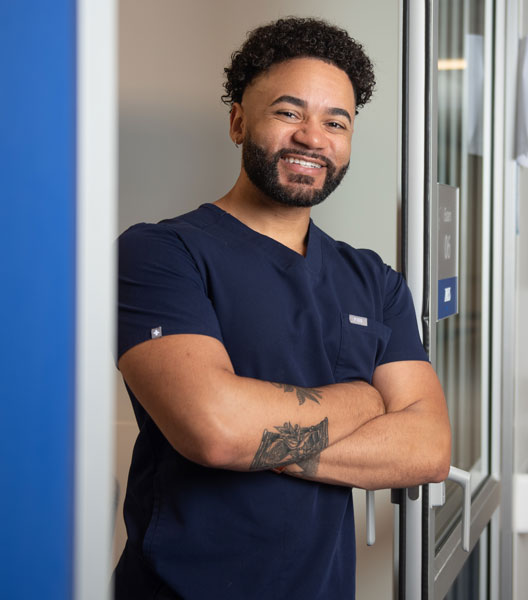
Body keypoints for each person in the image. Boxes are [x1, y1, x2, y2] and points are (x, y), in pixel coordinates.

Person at [114, 17, 451, 599]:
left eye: (335, 122)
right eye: (289, 113)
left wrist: (259, 440)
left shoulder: (373, 280)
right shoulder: (161, 254)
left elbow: (429, 447)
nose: (313, 138)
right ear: (239, 121)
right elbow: (215, 430)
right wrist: (366, 400)